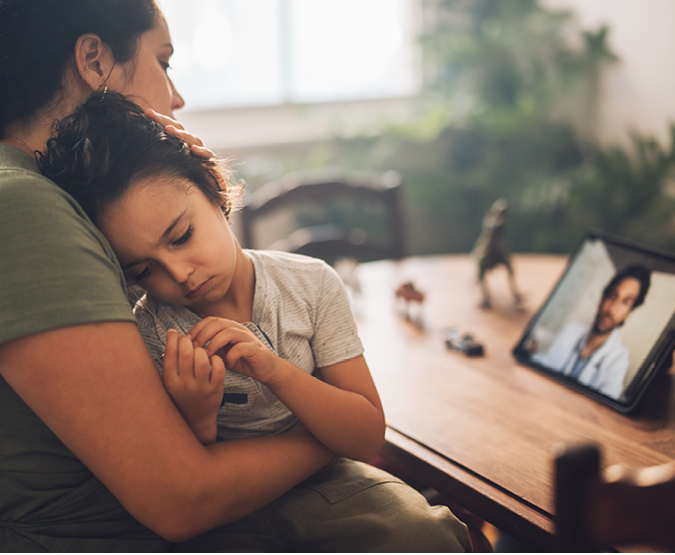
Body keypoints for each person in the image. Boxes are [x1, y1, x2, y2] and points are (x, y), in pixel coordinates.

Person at [0, 1, 471, 551]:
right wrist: (338, 431)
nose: (176, 99)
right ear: (93, 59)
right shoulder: (25, 207)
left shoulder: (55, 196)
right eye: (164, 61)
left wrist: (177, 173)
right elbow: (181, 497)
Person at [530, 265, 651, 400]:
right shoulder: (571, 330)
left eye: (625, 302)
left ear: (628, 314)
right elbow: (547, 366)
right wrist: (531, 354)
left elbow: (608, 403)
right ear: (601, 300)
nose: (612, 309)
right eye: (613, 296)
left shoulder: (619, 359)